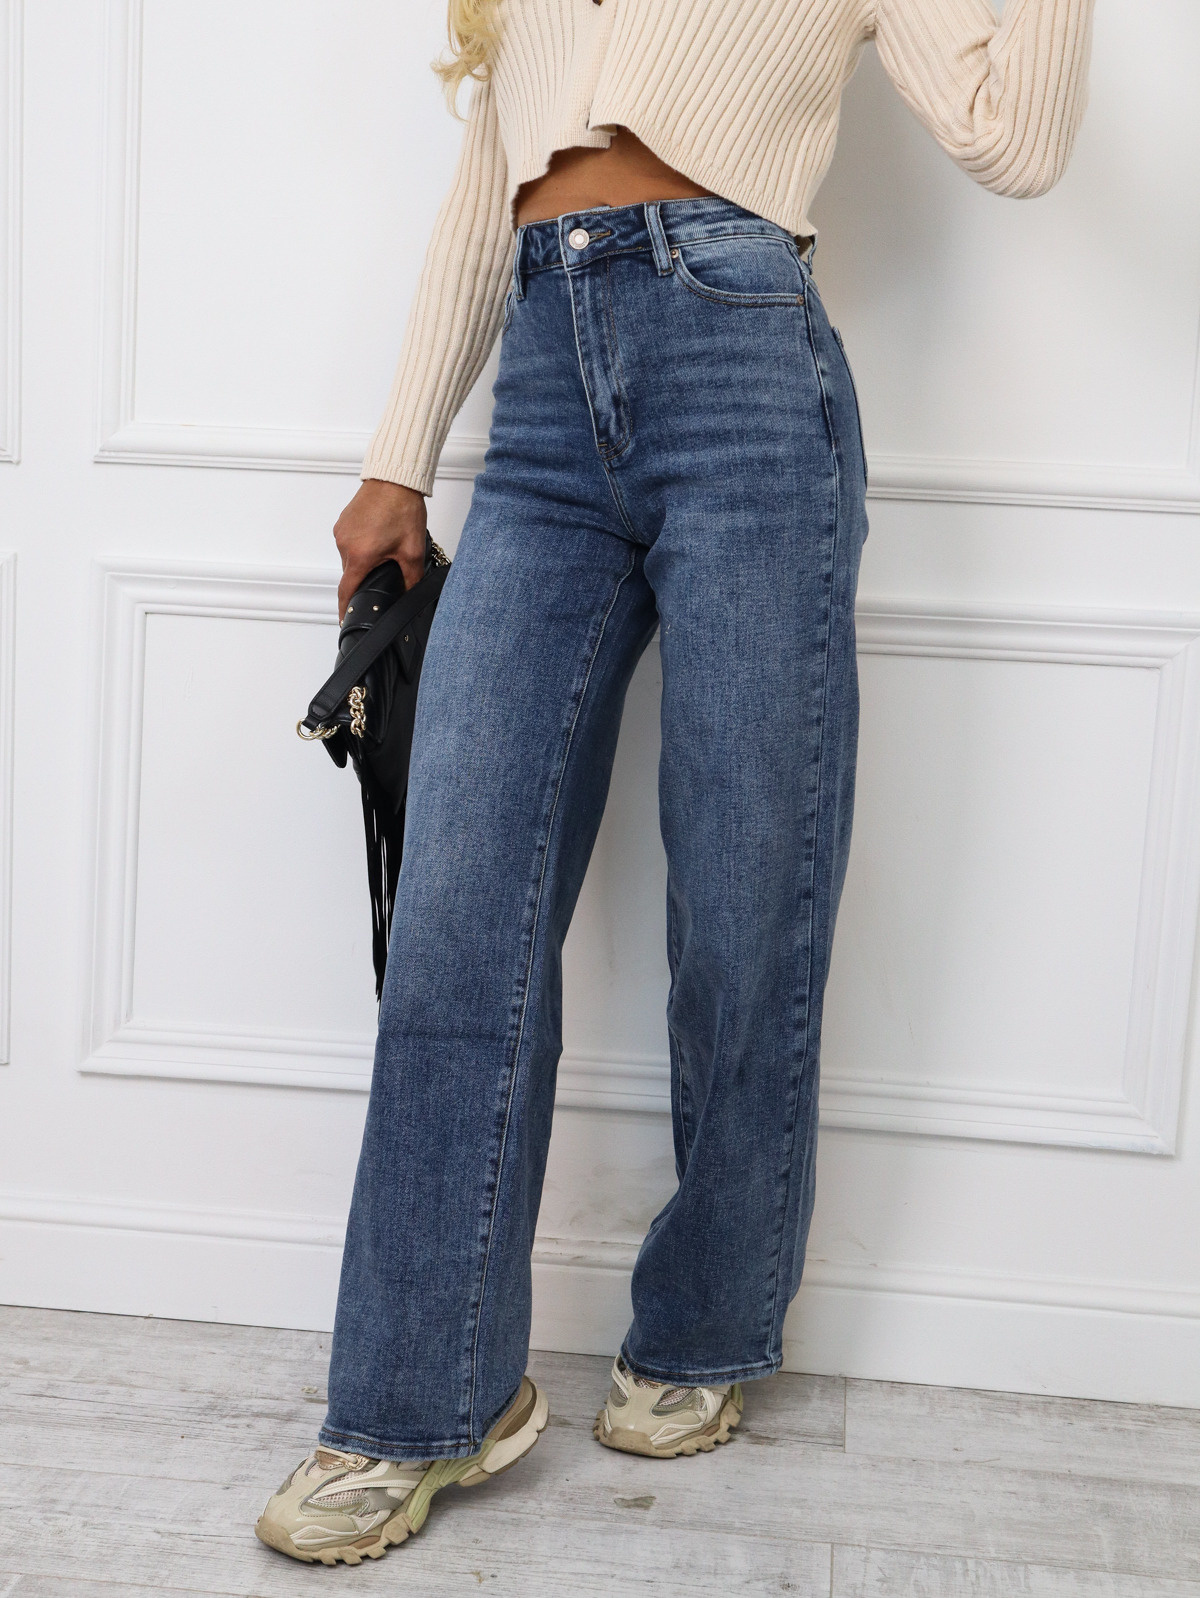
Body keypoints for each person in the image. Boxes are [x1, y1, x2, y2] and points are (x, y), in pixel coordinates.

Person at [255, 0, 1095, 1566]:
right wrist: (397, 455)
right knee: (459, 910)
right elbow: (486, 187)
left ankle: (705, 1324)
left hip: (744, 374)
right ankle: (419, 1399)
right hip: (541, 397)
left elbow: (1014, 140)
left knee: (742, 894)